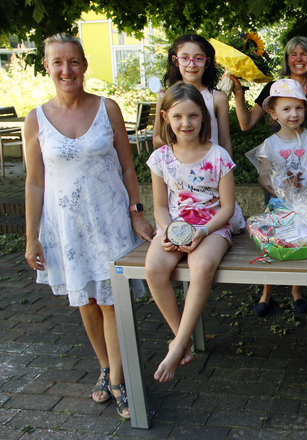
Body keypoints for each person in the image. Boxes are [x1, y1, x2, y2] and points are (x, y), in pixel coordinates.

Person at [24, 33, 154, 419]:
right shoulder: (36, 119)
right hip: (67, 227)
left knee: (112, 301)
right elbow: (34, 182)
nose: (67, 70)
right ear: (47, 66)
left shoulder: (107, 108)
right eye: (58, 62)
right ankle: (105, 367)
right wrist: (32, 238)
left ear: (84, 65)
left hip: (111, 219)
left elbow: (129, 166)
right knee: (86, 301)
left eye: (74, 61)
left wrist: (136, 210)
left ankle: (119, 378)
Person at [144, 82, 245, 383]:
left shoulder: (218, 157)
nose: (185, 123)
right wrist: (166, 230)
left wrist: (203, 230)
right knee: (154, 267)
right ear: (165, 117)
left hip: (213, 226)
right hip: (176, 226)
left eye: (193, 116)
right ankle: (181, 337)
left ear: (204, 118)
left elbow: (227, 208)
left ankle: (175, 348)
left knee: (200, 265)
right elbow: (160, 207)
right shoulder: (161, 158)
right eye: (177, 116)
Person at [251, 79, 307, 317]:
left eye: (299, 108)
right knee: (273, 235)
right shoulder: (269, 144)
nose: (294, 114)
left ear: (306, 109)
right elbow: (264, 177)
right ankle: (267, 291)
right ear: (273, 113)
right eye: (286, 109)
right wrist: (281, 190)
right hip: (282, 201)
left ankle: (296, 289)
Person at [232, 37, 307, 156]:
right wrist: (239, 93)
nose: (299, 59)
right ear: (287, 60)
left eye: (304, 54)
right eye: (293, 54)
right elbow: (246, 124)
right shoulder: (273, 89)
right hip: (280, 162)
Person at [153, 35, 232, 156]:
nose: (191, 64)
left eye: (198, 59)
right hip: (178, 168)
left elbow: (225, 141)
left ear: (207, 62)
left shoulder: (218, 98)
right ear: (175, 61)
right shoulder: (165, 97)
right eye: (185, 58)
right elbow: (156, 139)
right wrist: (181, 135)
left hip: (211, 166)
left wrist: (228, 169)